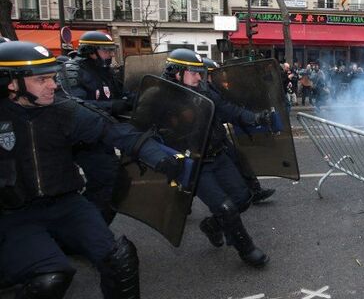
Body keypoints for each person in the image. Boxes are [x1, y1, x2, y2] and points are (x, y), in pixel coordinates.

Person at [0, 41, 184, 298]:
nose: (53, 85)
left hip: (66, 204)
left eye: (52, 78)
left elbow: (114, 131)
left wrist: (158, 157)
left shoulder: (64, 110)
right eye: (42, 80)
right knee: (50, 278)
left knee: (120, 258)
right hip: (15, 215)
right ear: (11, 83)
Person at [163, 49, 270, 267]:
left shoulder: (204, 91)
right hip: (195, 164)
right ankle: (246, 249)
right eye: (193, 73)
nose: (199, 77)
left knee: (242, 198)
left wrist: (254, 118)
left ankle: (212, 226)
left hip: (218, 155)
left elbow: (227, 109)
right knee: (225, 207)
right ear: (177, 73)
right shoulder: (161, 97)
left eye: (199, 72)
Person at [59, 31, 130, 224]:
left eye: (111, 50)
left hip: (102, 136)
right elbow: (74, 105)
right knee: (108, 181)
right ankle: (83, 225)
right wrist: (112, 106)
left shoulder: (105, 72)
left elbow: (118, 95)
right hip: (82, 141)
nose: (110, 55)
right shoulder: (72, 71)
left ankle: (91, 227)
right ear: (91, 51)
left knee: (112, 182)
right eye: (106, 50)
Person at [202, 57, 275, 204]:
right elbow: (229, 110)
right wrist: (254, 118)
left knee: (238, 159)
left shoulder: (213, 89)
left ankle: (254, 191)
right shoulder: (207, 92)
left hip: (215, 136)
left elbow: (229, 110)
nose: (216, 77)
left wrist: (251, 117)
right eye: (212, 74)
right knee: (197, 175)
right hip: (203, 140)